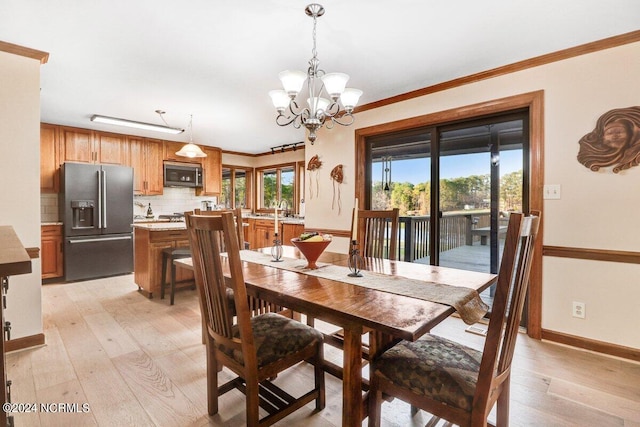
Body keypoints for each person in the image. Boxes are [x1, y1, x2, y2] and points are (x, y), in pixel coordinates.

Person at [577, 106, 640, 173]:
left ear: (631, 134)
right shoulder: (594, 151)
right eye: (610, 133)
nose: (615, 136)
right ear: (602, 137)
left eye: (619, 132)